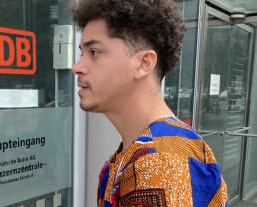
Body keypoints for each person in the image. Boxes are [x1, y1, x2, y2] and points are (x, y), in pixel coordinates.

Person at [70, 0, 228, 206]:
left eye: (94, 52)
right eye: (82, 53)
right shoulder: (149, 148)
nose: (77, 67)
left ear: (144, 64)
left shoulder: (161, 164)